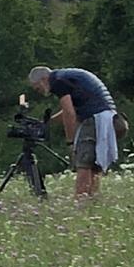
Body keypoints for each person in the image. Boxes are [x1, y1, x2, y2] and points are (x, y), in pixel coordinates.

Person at [27, 65, 124, 200]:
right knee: (93, 164)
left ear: (43, 79)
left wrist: (71, 142)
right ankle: (92, 198)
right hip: (109, 118)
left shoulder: (57, 81)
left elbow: (69, 113)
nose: (38, 91)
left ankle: (80, 201)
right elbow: (69, 110)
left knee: (83, 162)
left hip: (94, 118)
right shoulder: (65, 76)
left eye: (37, 87)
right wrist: (47, 122)